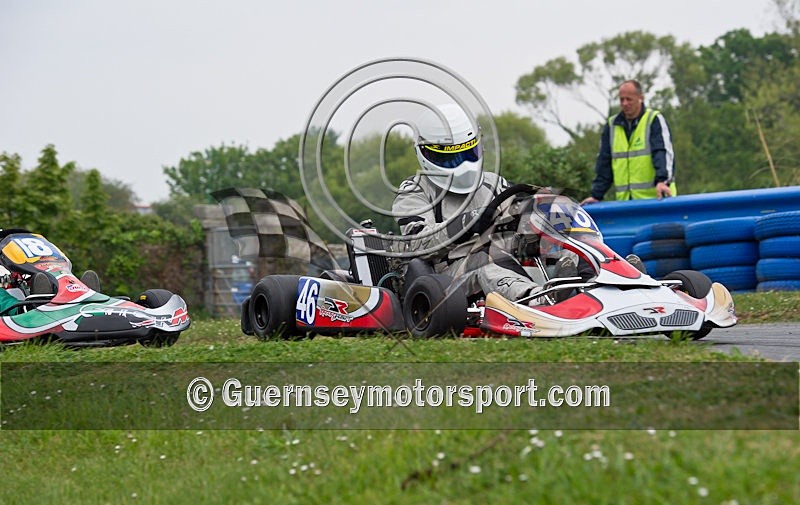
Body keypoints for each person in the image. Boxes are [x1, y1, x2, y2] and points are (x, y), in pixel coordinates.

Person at [392, 104, 576, 305]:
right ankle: (540, 301)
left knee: (563, 239)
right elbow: (417, 243)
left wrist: (544, 211)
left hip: (502, 257)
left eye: (468, 153)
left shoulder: (492, 182)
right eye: (451, 158)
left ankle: (589, 285)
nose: (463, 165)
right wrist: (467, 223)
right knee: (483, 261)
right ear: (425, 154)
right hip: (446, 277)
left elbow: (521, 211)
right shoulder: (414, 190)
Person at [581, 79, 677, 205]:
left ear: (640, 98)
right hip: (626, 205)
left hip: (657, 201)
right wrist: (596, 195)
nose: (625, 103)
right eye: (622, 100)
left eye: (629, 99)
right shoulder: (612, 126)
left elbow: (662, 152)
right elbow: (604, 163)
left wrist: (662, 181)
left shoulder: (653, 120)